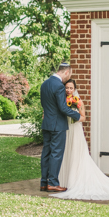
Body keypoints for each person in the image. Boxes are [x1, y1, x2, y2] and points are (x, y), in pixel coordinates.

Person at [40, 63, 83, 192]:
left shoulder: (45, 84)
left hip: (46, 123)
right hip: (57, 125)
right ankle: (53, 183)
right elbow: (63, 107)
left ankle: (43, 182)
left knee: (46, 153)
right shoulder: (59, 86)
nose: (68, 77)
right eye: (69, 74)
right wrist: (77, 115)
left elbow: (45, 105)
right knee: (56, 154)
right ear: (66, 72)